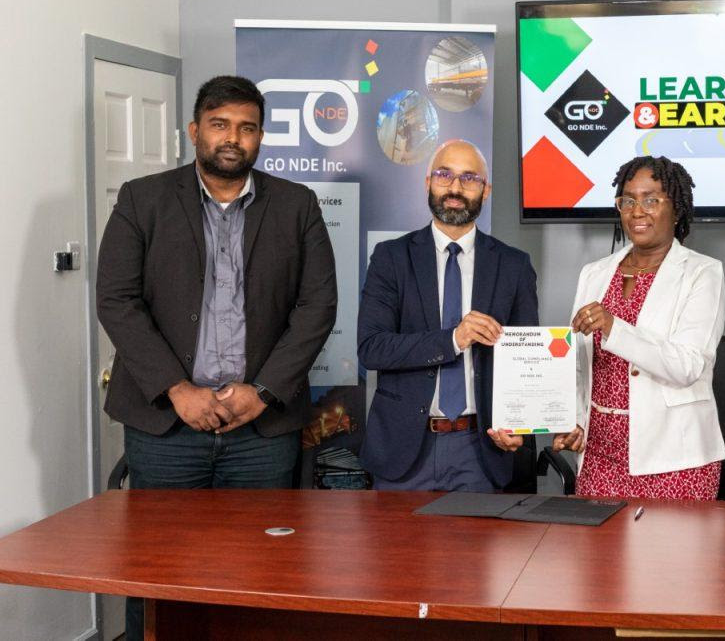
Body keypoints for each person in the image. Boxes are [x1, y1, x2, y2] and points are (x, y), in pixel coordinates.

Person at [96, 75, 337, 640]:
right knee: (156, 571)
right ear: (194, 130)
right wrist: (178, 390)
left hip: (261, 429)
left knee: (261, 573)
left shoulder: (296, 205)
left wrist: (265, 391)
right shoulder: (143, 198)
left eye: (247, 128)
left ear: (261, 137)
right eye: (221, 124)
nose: (234, 138)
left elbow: (317, 306)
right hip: (164, 427)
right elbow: (117, 300)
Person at [357, 139, 538, 491]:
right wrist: (454, 339)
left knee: (474, 547)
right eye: (444, 175)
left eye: (469, 178)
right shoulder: (391, 258)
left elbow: (526, 359)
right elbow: (372, 348)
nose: (455, 188)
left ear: (486, 191)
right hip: (404, 449)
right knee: (398, 548)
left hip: (481, 448)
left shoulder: (514, 265)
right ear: (427, 183)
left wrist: (520, 425)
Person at [553, 156, 725, 499]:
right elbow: (577, 364)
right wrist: (572, 419)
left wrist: (614, 328)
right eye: (628, 200)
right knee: (598, 554)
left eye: (651, 199)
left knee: (670, 555)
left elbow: (688, 366)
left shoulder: (703, 273)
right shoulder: (595, 273)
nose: (637, 210)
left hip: (675, 460)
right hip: (600, 455)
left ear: (676, 209)